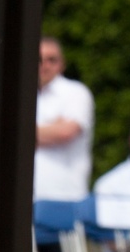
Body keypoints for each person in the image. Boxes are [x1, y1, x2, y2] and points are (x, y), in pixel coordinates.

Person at [34, 36, 94, 202]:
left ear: (62, 64)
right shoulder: (21, 93)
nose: (44, 65)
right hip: (26, 196)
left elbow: (65, 133)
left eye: (51, 60)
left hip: (64, 196)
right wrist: (49, 129)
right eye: (39, 59)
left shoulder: (75, 92)